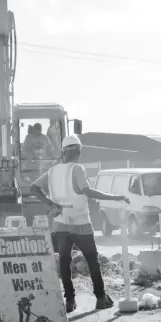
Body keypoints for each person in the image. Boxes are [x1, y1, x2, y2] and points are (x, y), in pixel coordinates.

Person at [30, 134, 130, 313]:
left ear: (63, 151)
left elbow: (33, 188)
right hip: (81, 224)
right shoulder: (77, 169)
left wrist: (51, 204)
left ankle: (70, 301)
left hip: (60, 224)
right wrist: (116, 197)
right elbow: (88, 191)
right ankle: (101, 298)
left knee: (64, 262)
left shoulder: (52, 171)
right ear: (78, 151)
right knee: (92, 260)